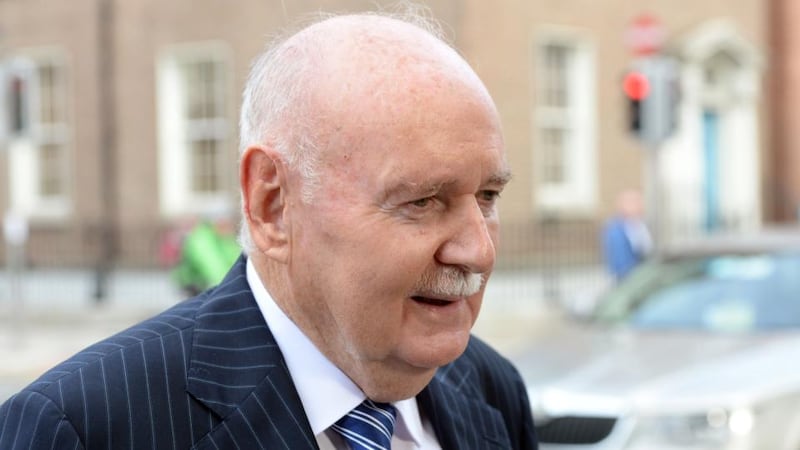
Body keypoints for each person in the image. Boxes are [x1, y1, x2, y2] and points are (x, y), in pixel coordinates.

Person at [0, 9, 538, 450]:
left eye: (488, 196)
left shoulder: (492, 391)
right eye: (422, 201)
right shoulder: (80, 429)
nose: (478, 249)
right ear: (272, 203)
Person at [601, 188, 653, 280]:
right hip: (628, 277)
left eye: (639, 202)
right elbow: (620, 259)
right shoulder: (615, 229)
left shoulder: (640, 225)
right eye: (634, 202)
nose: (639, 205)